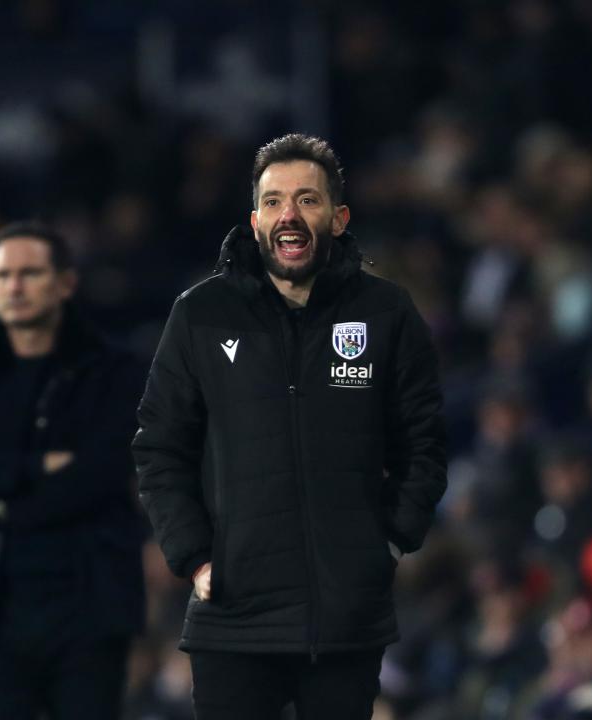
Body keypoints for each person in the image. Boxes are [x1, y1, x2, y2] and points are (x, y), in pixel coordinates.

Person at [133, 133, 448, 719]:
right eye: (275, 201)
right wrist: (197, 559)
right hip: (233, 618)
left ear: (338, 216)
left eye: (308, 200)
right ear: (254, 220)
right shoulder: (200, 314)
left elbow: (424, 443)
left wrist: (389, 541)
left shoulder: (386, 313)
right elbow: (159, 448)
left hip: (346, 618)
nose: (290, 216)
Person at [0, 222, 145, 720]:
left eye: (29, 273)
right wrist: (40, 465)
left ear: (65, 282)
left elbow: (98, 478)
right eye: (2, 275)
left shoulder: (115, 373)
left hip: (89, 611)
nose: (13, 287)